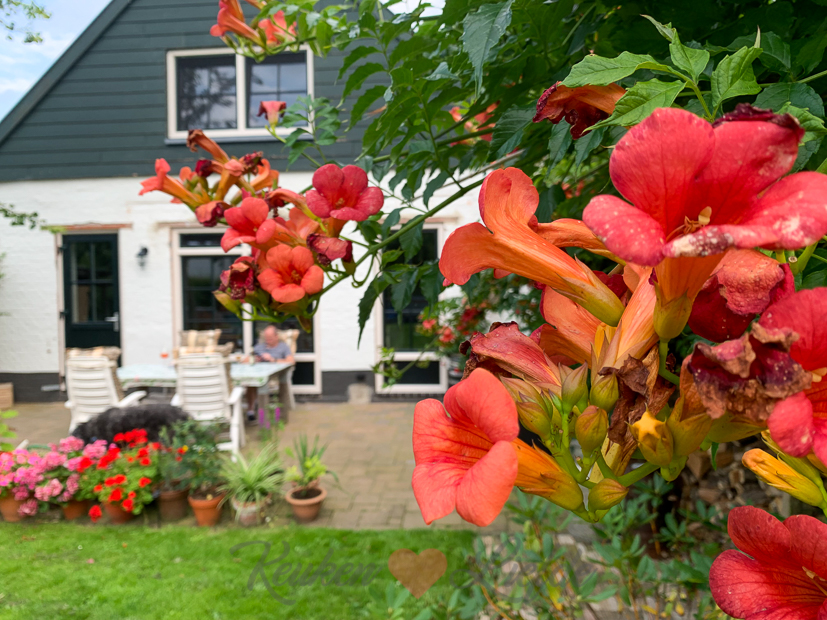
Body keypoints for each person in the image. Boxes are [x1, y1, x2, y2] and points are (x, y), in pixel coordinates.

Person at [246, 326, 295, 419]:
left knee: (262, 382)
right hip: (257, 372)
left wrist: (273, 359)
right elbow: (246, 360)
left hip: (275, 375)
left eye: (270, 339)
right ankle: (251, 411)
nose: (268, 341)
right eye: (266, 338)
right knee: (250, 382)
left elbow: (291, 361)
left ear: (276, 336)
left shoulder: (283, 347)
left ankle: (264, 418)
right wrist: (254, 359)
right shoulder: (259, 347)